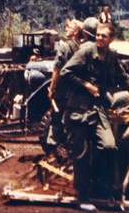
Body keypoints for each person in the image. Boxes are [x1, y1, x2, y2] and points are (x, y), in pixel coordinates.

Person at [61, 23, 129, 211]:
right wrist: (86, 84)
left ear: (111, 38)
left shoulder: (111, 56)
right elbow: (65, 72)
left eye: (104, 36)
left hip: (98, 110)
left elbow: (122, 75)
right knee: (81, 155)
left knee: (109, 145)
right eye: (97, 35)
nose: (99, 39)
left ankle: (102, 186)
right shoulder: (86, 52)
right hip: (79, 110)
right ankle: (83, 196)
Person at [46, 19, 83, 154]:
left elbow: (57, 68)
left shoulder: (64, 46)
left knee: (56, 118)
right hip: (76, 89)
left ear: (76, 31)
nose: (66, 29)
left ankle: (54, 148)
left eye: (69, 27)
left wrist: (51, 88)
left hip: (63, 89)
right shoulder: (81, 47)